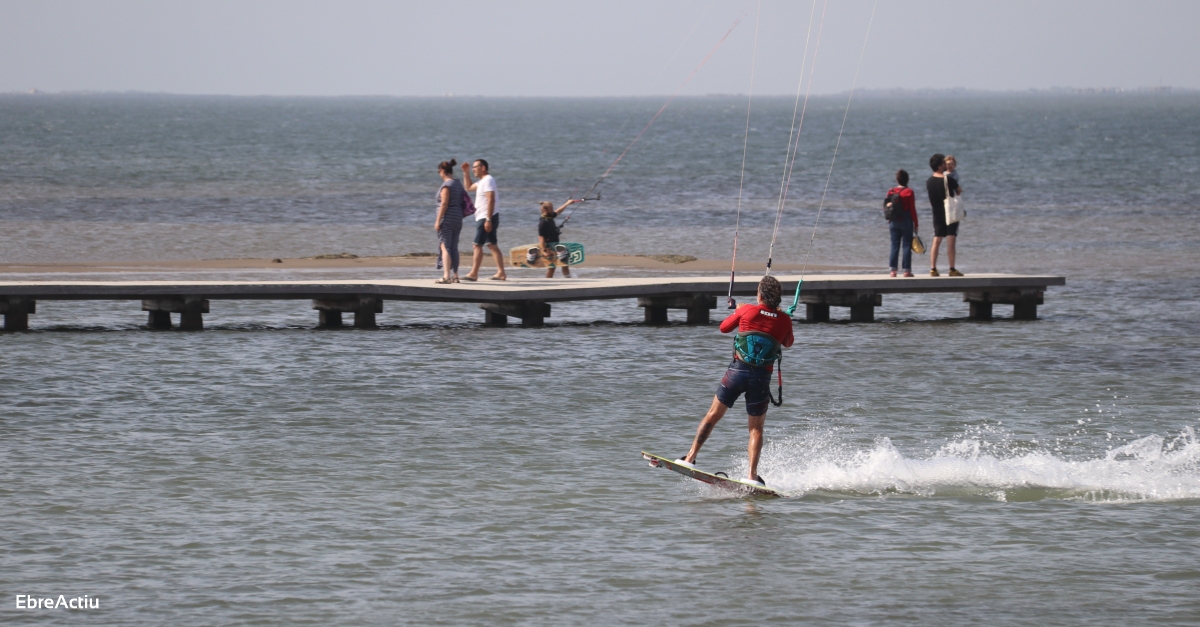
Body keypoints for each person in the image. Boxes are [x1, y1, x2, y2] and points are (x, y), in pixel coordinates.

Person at [678, 276, 795, 486]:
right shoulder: (784, 319)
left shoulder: (747, 310)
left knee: (712, 415)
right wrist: (781, 318)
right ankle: (751, 475)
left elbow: (723, 328)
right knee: (756, 429)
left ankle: (689, 458)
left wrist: (738, 310)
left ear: (759, 294)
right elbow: (788, 343)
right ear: (777, 298)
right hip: (761, 378)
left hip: (737, 372)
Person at [461, 159, 506, 281]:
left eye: (475, 167)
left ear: (483, 168)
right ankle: (501, 273)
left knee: (477, 245)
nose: (473, 169)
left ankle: (473, 273)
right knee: (492, 245)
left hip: (486, 216)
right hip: (486, 216)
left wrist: (488, 219)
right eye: (473, 167)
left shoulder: (488, 180)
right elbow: (469, 187)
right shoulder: (482, 182)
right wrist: (465, 172)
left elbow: (491, 200)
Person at [926, 153, 963, 277]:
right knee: (951, 240)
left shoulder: (929, 181)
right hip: (950, 212)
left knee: (936, 240)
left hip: (936, 213)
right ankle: (952, 269)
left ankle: (933, 268)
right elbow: (959, 190)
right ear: (940, 165)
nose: (945, 165)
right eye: (943, 163)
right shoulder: (948, 179)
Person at [434, 159, 466, 284]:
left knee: (444, 245)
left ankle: (446, 276)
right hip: (457, 217)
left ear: (442, 171)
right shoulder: (458, 183)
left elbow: (444, 203)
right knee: (453, 246)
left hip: (447, 218)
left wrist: (438, 221)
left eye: (438, 172)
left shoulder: (447, 185)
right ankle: (455, 276)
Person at [885, 169, 919, 278]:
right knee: (906, 245)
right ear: (907, 180)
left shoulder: (891, 191)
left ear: (897, 179)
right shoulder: (909, 192)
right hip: (906, 220)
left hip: (893, 221)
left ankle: (893, 271)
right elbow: (912, 209)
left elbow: (886, 206)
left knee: (894, 245)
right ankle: (906, 271)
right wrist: (916, 224)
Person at [537, 199, 581, 278]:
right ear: (545, 210)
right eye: (551, 209)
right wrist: (544, 250)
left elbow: (558, 211)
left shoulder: (549, 217)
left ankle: (568, 279)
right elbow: (541, 237)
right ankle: (547, 282)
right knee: (552, 267)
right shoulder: (543, 222)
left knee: (564, 263)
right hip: (549, 246)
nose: (553, 210)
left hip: (555, 244)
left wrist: (567, 203)